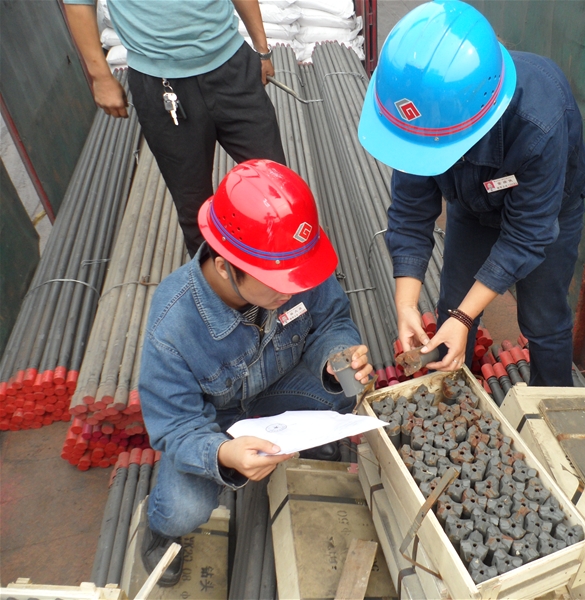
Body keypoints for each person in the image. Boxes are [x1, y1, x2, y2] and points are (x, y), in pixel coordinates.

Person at [137, 159, 372, 586]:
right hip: (212, 424)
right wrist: (224, 455)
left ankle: (305, 436)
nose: (292, 289)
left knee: (342, 390)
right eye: (277, 282)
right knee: (183, 510)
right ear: (225, 265)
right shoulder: (173, 326)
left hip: (276, 387)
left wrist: (337, 357)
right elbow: (175, 425)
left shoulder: (293, 262)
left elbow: (332, 320)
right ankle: (158, 528)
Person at [358, 0, 585, 387]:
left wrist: (466, 318)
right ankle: (451, 397)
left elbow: (526, 235)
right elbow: (411, 213)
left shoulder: (539, 122)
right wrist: (406, 305)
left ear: (480, 120)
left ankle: (553, 401)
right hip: (472, 205)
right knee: (452, 307)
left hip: (546, 213)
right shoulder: (421, 119)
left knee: (543, 318)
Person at [63, 0, 286, 256]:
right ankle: (216, 277)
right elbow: (78, 3)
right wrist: (101, 76)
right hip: (161, 85)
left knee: (276, 186)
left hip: (231, 67)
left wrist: (262, 49)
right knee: (194, 205)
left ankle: (285, 266)